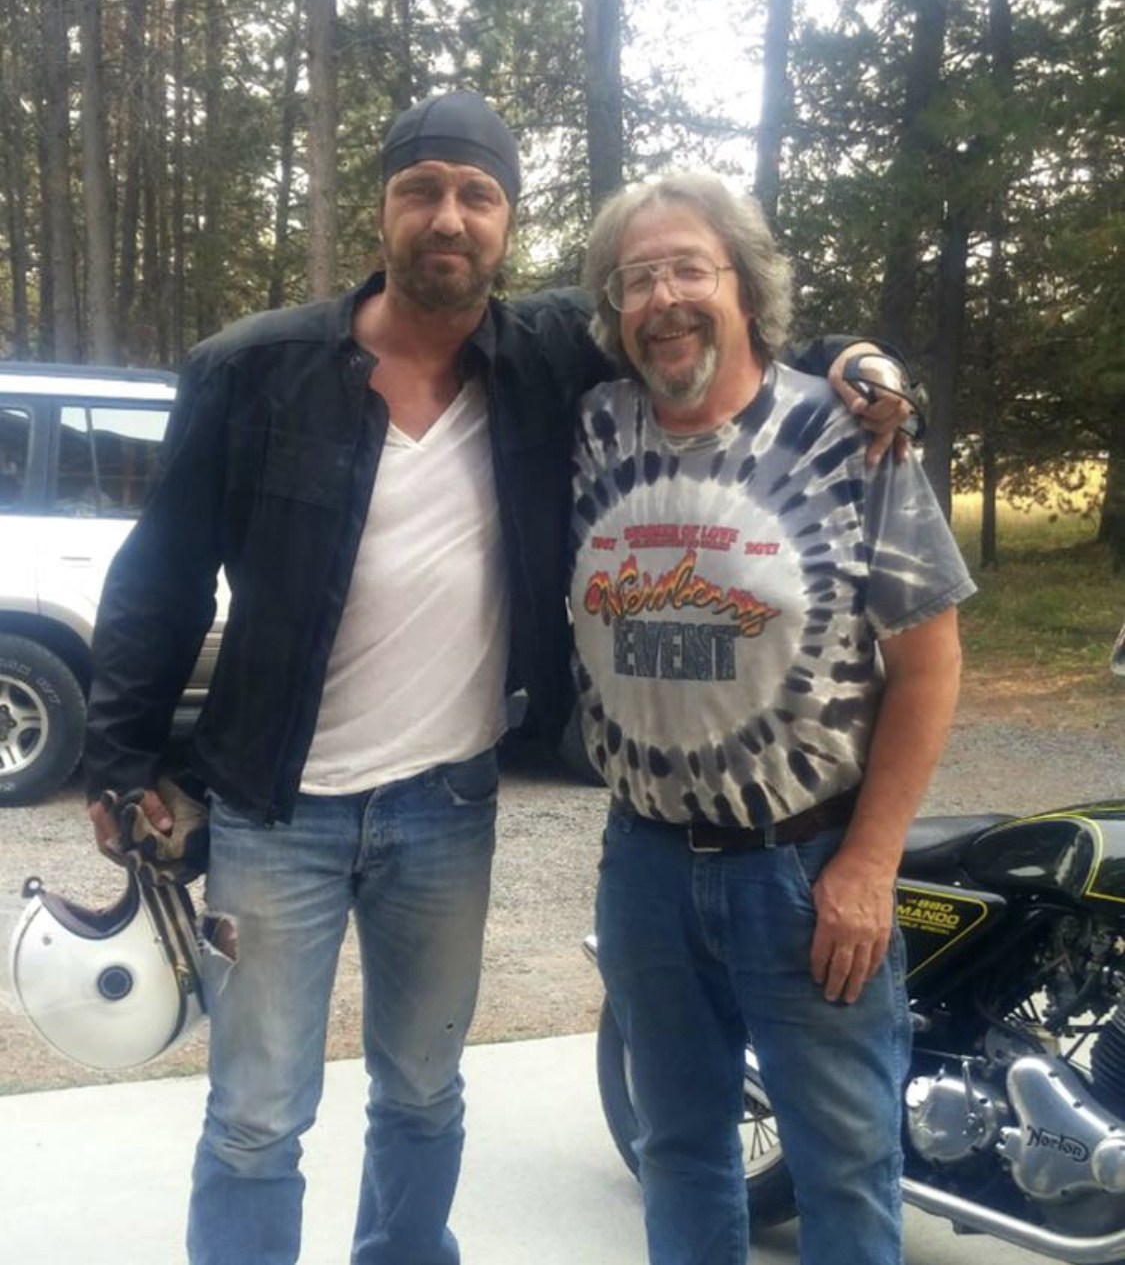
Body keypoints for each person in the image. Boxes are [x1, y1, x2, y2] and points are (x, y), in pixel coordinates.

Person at [83, 94, 912, 1265]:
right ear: (381, 209)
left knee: (424, 1091)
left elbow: (709, 322)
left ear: (508, 220)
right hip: (274, 808)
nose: (449, 216)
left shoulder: (543, 353)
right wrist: (120, 755)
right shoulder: (254, 370)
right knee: (258, 1112)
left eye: (477, 195)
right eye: (421, 189)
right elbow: (161, 572)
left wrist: (850, 360)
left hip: (446, 803)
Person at [570, 173, 975, 1265]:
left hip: (804, 873)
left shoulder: (846, 435)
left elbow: (928, 662)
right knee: (677, 1149)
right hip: (644, 865)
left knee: (843, 1165)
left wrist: (870, 864)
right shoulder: (591, 428)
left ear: (745, 287)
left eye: (688, 269)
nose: (663, 298)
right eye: (636, 278)